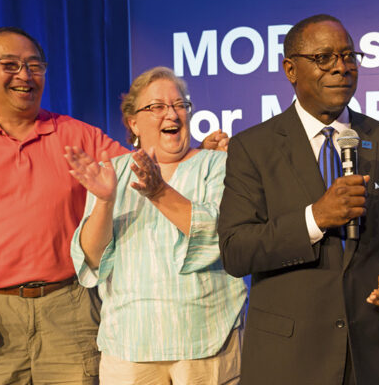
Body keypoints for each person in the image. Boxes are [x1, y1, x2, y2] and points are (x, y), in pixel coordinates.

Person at [0, 27, 226, 384]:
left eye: (34, 65)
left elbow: (149, 164)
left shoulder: (78, 136)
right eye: (9, 64)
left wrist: (200, 156)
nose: (24, 75)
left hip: (69, 313)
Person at [218, 14, 379, 385]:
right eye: (324, 58)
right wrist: (315, 218)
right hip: (289, 360)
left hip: (373, 356)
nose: (341, 68)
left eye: (348, 56)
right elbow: (236, 251)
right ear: (291, 69)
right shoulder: (253, 147)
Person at [64, 66, 246, 384]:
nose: (171, 114)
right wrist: (105, 201)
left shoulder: (219, 165)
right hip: (128, 348)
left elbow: (222, 238)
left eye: (179, 105)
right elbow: (91, 260)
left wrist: (158, 192)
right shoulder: (111, 173)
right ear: (133, 122)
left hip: (207, 343)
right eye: (157, 107)